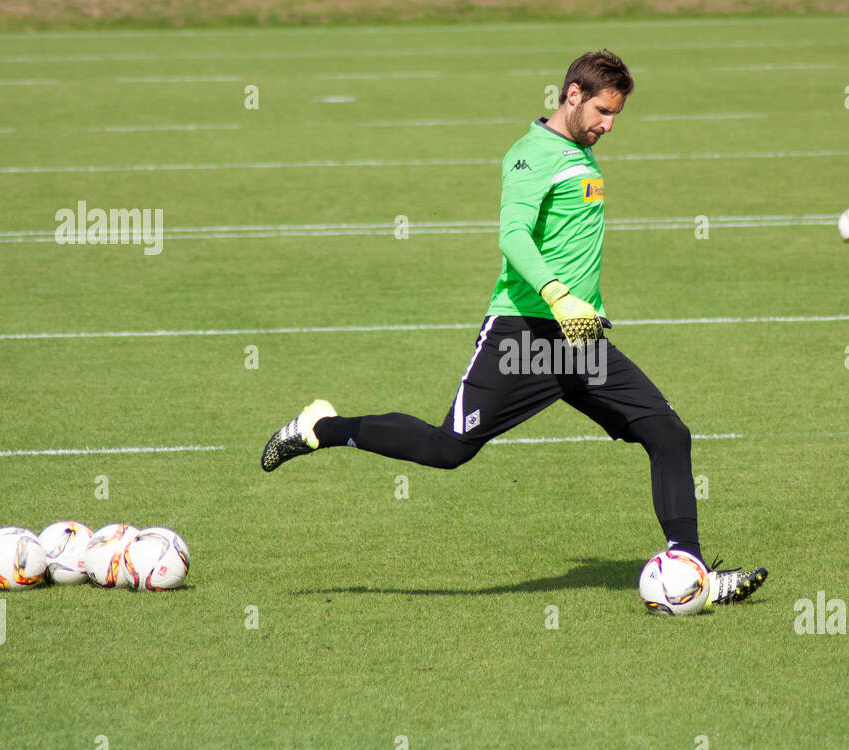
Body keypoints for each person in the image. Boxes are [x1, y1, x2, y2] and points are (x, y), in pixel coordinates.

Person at [261, 50, 766, 607]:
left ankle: (693, 570)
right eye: (602, 110)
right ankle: (322, 427)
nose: (609, 124)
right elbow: (513, 236)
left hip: (580, 340)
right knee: (448, 448)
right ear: (571, 94)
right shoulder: (530, 156)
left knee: (669, 434)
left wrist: (581, 311)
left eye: (617, 114)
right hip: (523, 336)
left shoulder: (578, 151)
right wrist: (558, 296)